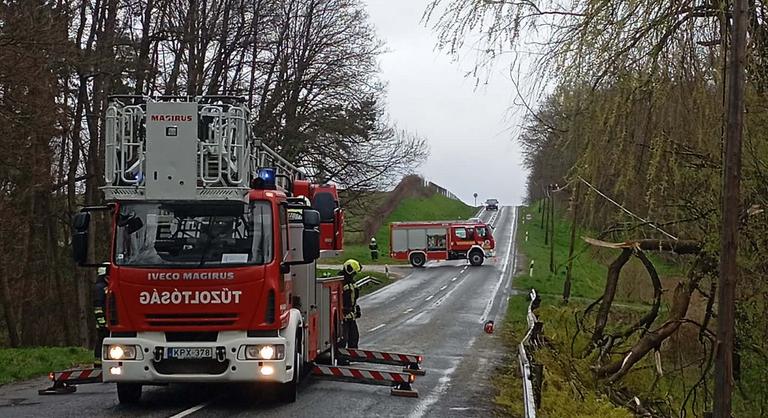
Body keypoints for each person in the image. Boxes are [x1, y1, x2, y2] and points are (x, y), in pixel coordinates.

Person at [340, 259, 362, 350]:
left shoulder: (352, 284)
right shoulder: (340, 282)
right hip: (343, 317)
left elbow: (353, 299)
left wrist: (356, 309)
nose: (354, 275)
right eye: (353, 273)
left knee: (354, 336)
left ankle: (352, 355)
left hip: (351, 315)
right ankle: (342, 357)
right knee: (343, 338)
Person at [93, 265, 109, 367]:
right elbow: (98, 307)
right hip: (103, 322)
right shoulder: (100, 288)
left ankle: (100, 362)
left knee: (102, 340)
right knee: (101, 341)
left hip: (105, 321)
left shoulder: (103, 286)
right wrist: (102, 322)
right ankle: (98, 363)